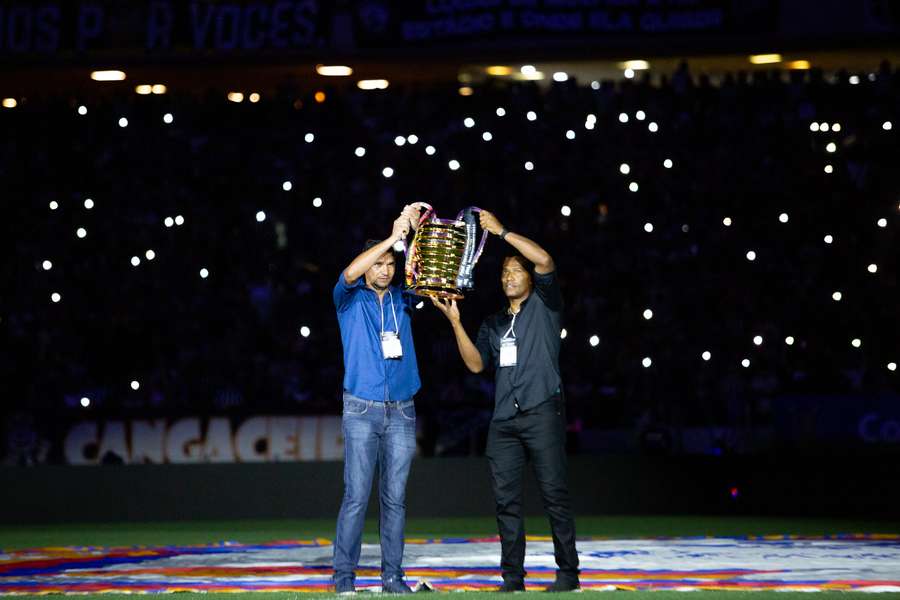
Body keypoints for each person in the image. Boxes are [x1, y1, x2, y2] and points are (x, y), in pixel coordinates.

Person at [431, 210, 579, 592]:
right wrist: (455, 322)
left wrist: (502, 232)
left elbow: (546, 259)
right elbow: (476, 365)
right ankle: (513, 579)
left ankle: (568, 574)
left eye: (515, 271)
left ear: (530, 278)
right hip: (504, 423)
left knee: (554, 496)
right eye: (503, 273)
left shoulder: (546, 305)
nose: (508, 277)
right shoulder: (494, 322)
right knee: (506, 503)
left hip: (542, 411)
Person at [332, 204, 423, 595]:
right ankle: (344, 579)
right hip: (361, 408)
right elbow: (349, 273)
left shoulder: (404, 298)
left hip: (402, 408)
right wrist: (392, 237)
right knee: (356, 497)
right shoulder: (349, 299)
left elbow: (425, 275)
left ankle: (392, 578)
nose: (385, 269)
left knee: (396, 500)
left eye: (390, 264)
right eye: (379, 263)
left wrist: (415, 233)